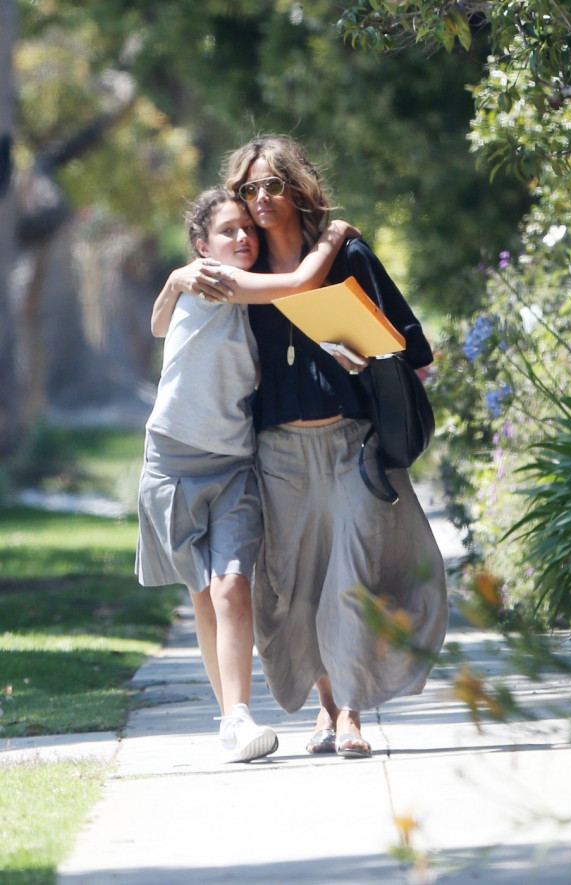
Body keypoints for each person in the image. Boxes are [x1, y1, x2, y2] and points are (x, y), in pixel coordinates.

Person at [222, 135, 448, 759]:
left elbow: (414, 350)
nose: (261, 199)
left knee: (352, 577)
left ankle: (349, 713)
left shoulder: (348, 252)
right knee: (297, 585)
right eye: (249, 189)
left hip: (352, 442)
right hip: (279, 452)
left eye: (272, 185)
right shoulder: (243, 267)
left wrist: (364, 350)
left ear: (296, 186)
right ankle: (323, 708)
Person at [136, 186, 359, 763]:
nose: (243, 237)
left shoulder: (239, 296)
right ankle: (232, 718)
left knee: (233, 588)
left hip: (234, 461)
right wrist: (333, 234)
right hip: (175, 459)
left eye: (247, 230)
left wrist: (171, 283)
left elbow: (165, 327)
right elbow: (299, 283)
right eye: (228, 229)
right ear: (201, 246)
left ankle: (236, 716)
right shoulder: (214, 281)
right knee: (204, 598)